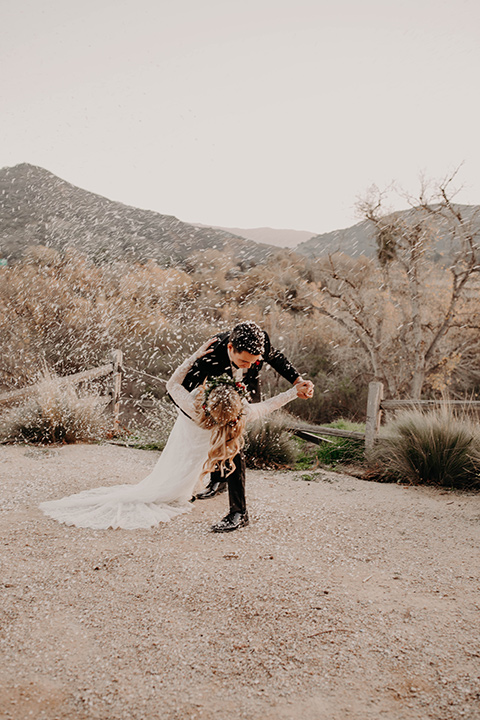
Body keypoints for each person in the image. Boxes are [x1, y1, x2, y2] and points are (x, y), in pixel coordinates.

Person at [39, 338, 311, 531]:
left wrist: (192, 356)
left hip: (190, 426)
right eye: (244, 361)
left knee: (185, 460)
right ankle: (219, 492)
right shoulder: (240, 414)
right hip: (213, 425)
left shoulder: (192, 406)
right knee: (215, 453)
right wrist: (293, 394)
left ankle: (224, 497)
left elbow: (172, 384)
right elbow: (267, 406)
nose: (250, 366)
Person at [175, 321, 314, 532]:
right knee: (221, 437)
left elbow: (277, 360)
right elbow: (182, 387)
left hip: (246, 391)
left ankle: (239, 513)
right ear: (230, 348)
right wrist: (203, 413)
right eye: (243, 361)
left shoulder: (260, 341)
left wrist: (298, 383)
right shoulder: (211, 354)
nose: (248, 365)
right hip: (219, 396)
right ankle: (218, 481)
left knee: (233, 444)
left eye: (254, 361)